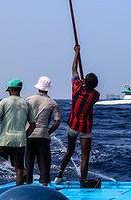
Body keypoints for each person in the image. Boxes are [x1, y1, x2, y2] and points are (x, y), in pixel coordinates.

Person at [54, 45, 100, 184]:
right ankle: (83, 180)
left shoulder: (76, 87)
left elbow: (74, 69)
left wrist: (76, 53)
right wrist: (85, 81)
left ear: (84, 81)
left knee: (70, 150)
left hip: (73, 125)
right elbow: (89, 87)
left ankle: (59, 176)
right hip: (85, 128)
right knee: (84, 156)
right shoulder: (95, 95)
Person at [25, 76, 61, 186]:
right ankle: (45, 185)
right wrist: (48, 132)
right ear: (48, 88)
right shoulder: (52, 103)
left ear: (38, 87)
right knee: (44, 163)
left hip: (28, 135)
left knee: (28, 162)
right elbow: (57, 121)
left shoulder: (28, 100)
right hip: (43, 135)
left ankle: (28, 184)